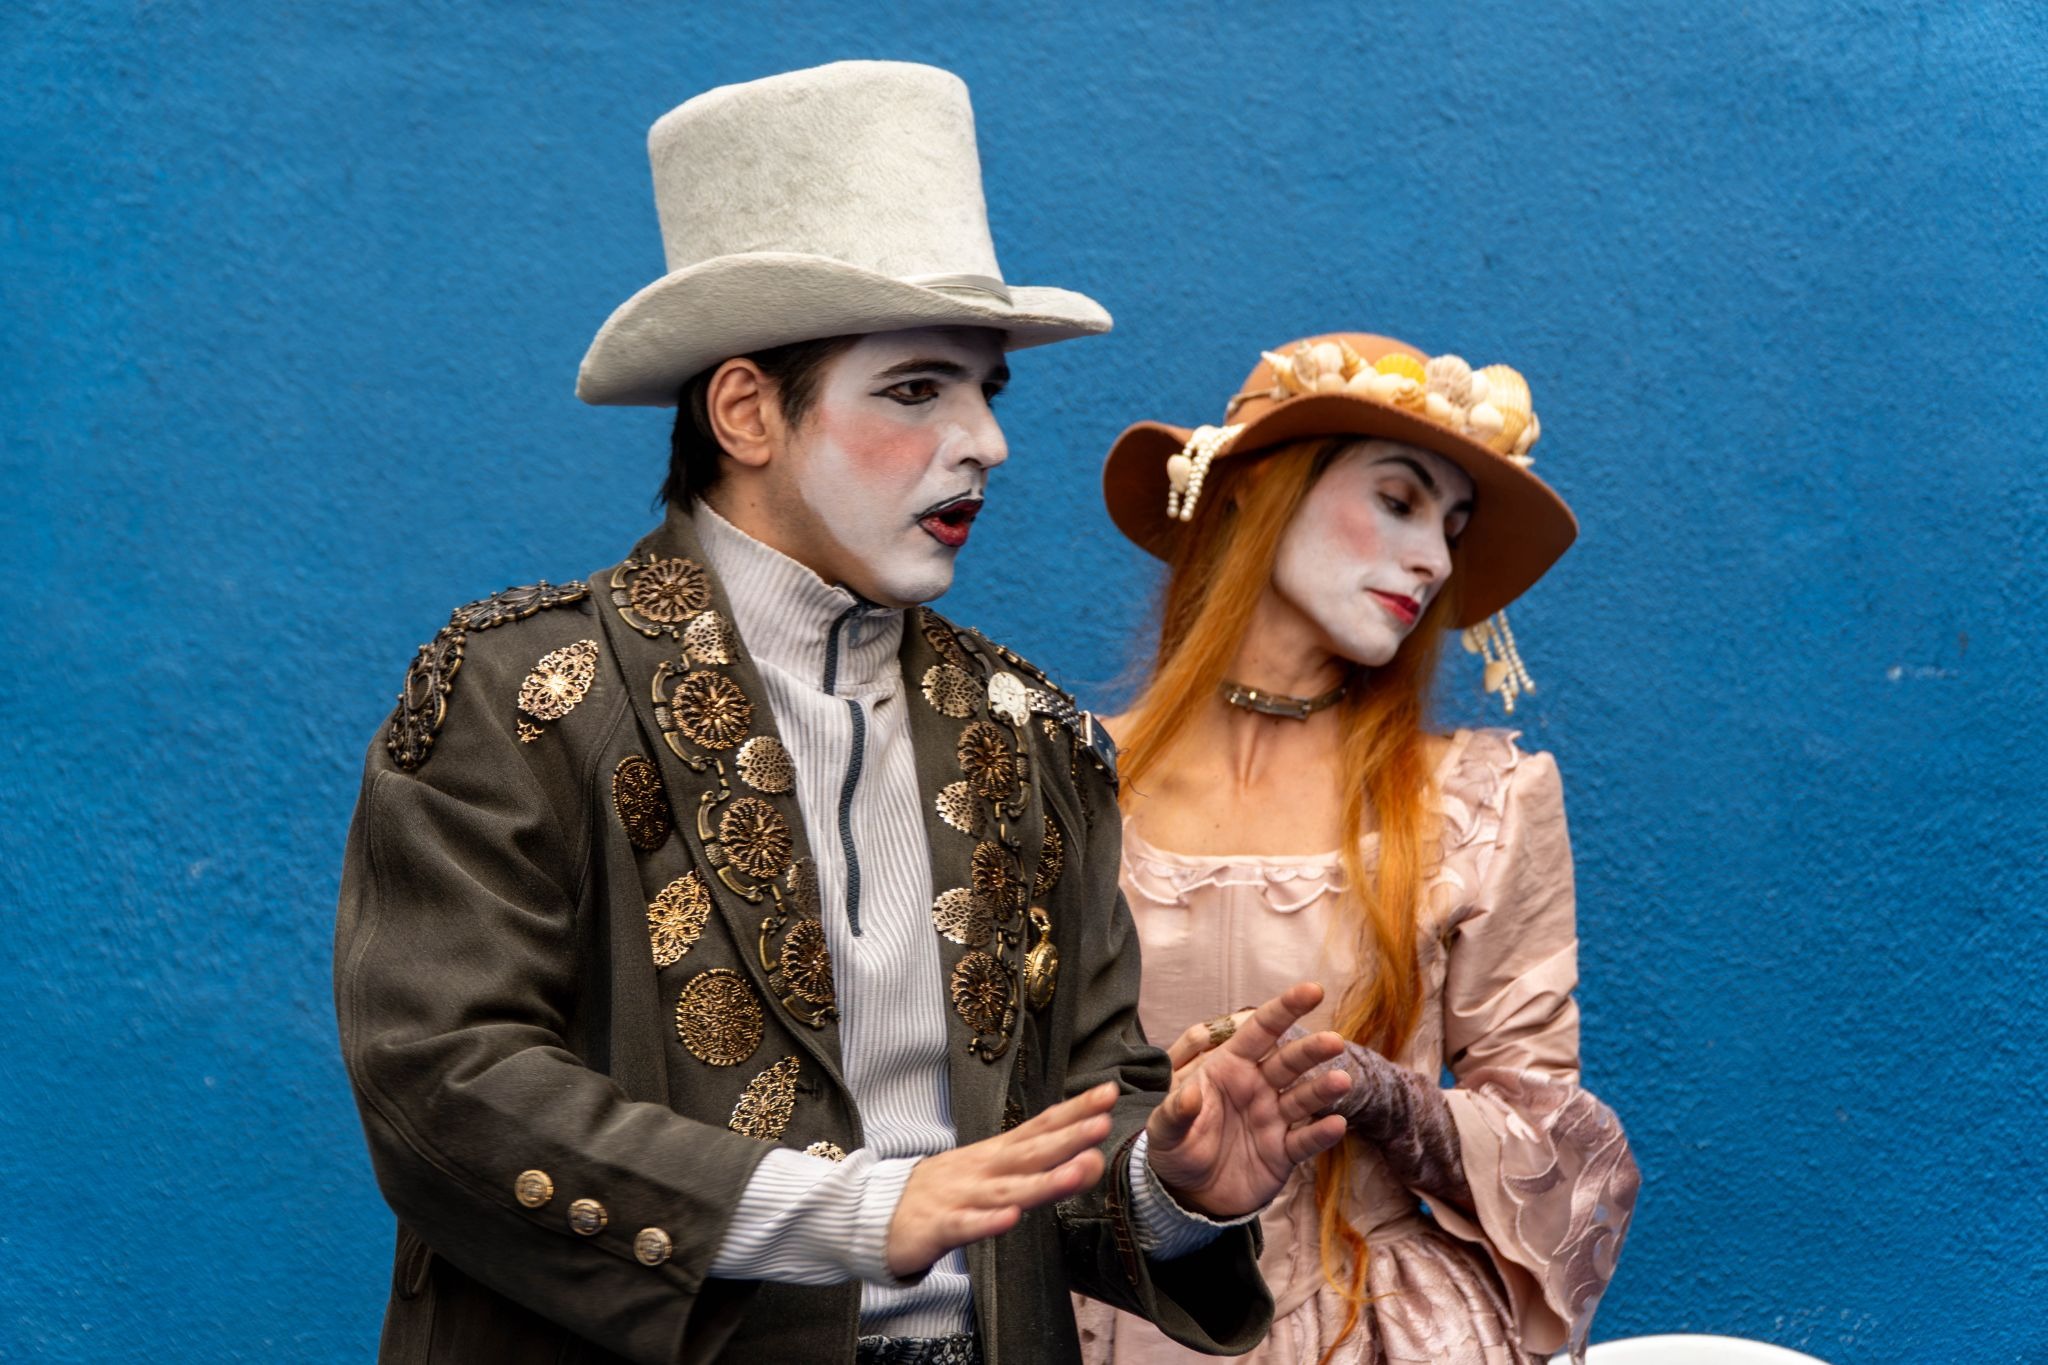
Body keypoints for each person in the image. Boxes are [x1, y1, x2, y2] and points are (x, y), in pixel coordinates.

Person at [334, 64, 1355, 1365]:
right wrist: (859, 1213)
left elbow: (1078, 1115)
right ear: (746, 412)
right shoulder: (523, 696)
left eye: (988, 391)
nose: (985, 441)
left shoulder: (1030, 734)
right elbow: (443, 1082)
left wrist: (1173, 1183)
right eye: (918, 389)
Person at [1074, 335, 1641, 1364]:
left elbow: (1559, 1156)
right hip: (1103, 1327)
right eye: (1397, 499)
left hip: (1374, 1331)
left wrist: (1394, 1102)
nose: (1435, 560)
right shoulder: (1062, 782)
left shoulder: (1478, 800)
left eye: (1452, 527)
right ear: (1252, 489)